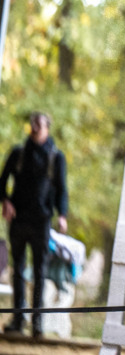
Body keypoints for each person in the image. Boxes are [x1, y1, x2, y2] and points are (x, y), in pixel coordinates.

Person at [0, 112, 68, 338]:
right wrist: (5, 201)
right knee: (17, 270)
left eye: (39, 125)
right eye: (33, 124)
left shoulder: (56, 157)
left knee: (41, 271)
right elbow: (2, 181)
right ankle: (18, 319)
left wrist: (62, 215)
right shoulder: (18, 153)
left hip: (42, 222)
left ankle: (37, 322)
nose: (35, 128)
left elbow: (61, 189)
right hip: (18, 221)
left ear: (47, 127)